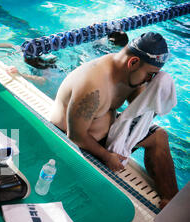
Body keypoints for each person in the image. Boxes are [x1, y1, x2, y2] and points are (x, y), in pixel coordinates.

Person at [49, 32, 178, 209]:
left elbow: (138, 111)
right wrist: (107, 156)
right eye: (150, 74)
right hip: (73, 142)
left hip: (105, 136)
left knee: (159, 136)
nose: (150, 80)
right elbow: (76, 135)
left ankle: (171, 203)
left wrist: (155, 96)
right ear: (133, 62)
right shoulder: (93, 85)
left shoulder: (129, 74)